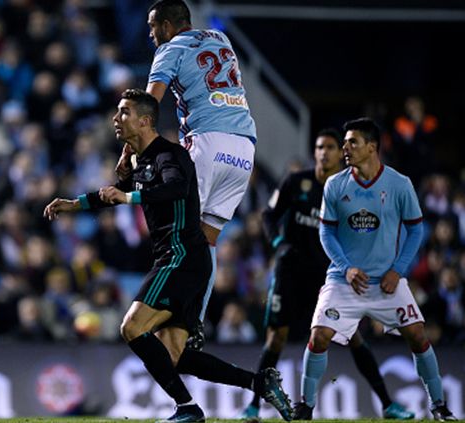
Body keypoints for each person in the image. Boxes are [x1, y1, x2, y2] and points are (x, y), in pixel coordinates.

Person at [45, 89, 292, 423]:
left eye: (124, 112)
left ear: (145, 120)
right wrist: (74, 204)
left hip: (181, 256)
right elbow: (111, 195)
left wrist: (130, 196)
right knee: (175, 356)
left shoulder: (170, 156)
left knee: (131, 327)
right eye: (117, 112)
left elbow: (174, 188)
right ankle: (258, 382)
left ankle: (187, 408)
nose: (116, 119)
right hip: (185, 262)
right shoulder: (140, 160)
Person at [240, 129, 414, 419]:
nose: (324, 152)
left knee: (354, 337)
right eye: (320, 147)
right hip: (291, 273)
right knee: (276, 339)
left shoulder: (346, 190)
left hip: (327, 276)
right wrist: (278, 244)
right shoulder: (296, 182)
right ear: (315, 152)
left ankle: (388, 404)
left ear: (340, 154)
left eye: (331, 147)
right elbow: (269, 215)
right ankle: (253, 406)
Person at [293, 118, 456, 421]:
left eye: (352, 142)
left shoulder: (399, 184)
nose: (345, 147)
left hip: (386, 282)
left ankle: (438, 405)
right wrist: (347, 268)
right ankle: (306, 405)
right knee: (318, 337)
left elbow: (416, 230)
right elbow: (326, 232)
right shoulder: (335, 184)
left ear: (372, 147)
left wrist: (398, 269)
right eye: (344, 142)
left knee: (418, 335)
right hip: (344, 280)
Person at [117, 0, 258, 350]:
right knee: (207, 239)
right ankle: (196, 320)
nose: (151, 35)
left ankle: (173, 312)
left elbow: (146, 109)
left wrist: (127, 151)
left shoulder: (169, 50)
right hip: (244, 148)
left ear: (168, 25)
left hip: (207, 142)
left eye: (153, 27)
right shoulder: (220, 39)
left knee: (180, 231)